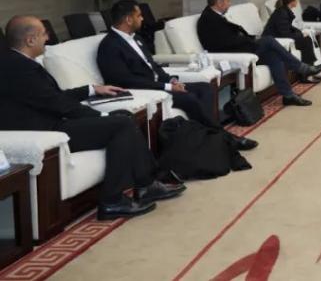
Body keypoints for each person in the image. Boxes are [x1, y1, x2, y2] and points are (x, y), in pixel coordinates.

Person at [0, 16, 185, 220]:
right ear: (30, 40)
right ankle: (112, 201)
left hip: (52, 122)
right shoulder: (19, 68)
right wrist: (101, 115)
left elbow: (53, 97)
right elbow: (57, 104)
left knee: (123, 117)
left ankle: (146, 185)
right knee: (121, 123)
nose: (48, 37)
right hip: (46, 130)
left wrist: (91, 89)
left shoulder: (18, 62)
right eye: (44, 33)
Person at [97, 0, 257, 151]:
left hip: (160, 85)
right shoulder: (110, 46)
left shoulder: (136, 39)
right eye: (139, 15)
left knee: (205, 88)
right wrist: (167, 86)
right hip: (146, 91)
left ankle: (206, 139)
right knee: (190, 98)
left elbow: (154, 67)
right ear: (128, 19)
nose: (142, 18)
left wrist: (171, 80)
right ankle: (225, 139)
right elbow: (125, 81)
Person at [197, 0, 321, 107]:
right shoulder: (208, 19)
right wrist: (249, 40)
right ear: (219, 2)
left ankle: (288, 95)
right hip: (233, 54)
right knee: (268, 40)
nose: (229, 4)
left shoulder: (214, 15)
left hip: (241, 48)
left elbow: (231, 37)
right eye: (228, 1)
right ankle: (302, 68)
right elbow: (222, 43)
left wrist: (250, 39)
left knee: (274, 57)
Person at [265, 0, 321, 81]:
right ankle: (307, 74)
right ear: (292, 0)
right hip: (277, 42)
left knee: (306, 38)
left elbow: (288, 28)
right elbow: (285, 34)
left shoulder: (284, 11)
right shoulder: (282, 13)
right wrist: (301, 35)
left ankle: (310, 70)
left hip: (281, 38)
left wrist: (301, 33)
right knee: (305, 41)